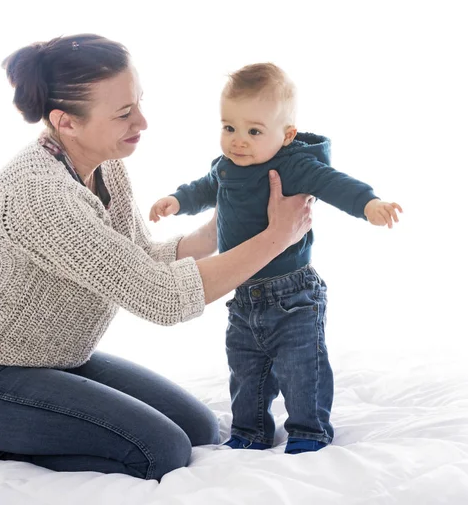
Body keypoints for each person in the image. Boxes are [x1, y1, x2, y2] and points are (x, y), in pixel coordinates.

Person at [0, 36, 314, 480]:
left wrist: (222, 227)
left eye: (138, 103)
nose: (143, 121)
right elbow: (162, 298)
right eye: (124, 113)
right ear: (65, 122)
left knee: (199, 429)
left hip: (53, 359)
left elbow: (139, 258)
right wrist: (278, 236)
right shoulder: (40, 196)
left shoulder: (104, 164)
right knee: (160, 452)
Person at [149, 62, 403, 455]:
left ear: (286, 135)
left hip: (293, 294)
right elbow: (204, 188)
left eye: (254, 131)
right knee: (246, 370)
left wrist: (369, 203)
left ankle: (309, 430)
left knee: (303, 368)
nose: (238, 141)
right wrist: (178, 201)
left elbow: (333, 183)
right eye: (228, 127)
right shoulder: (227, 167)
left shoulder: (293, 164)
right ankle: (250, 431)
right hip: (244, 292)